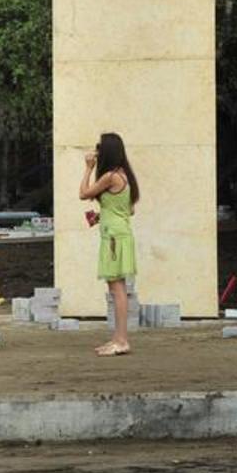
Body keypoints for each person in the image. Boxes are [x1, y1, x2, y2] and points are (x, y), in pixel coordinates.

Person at [79, 133, 140, 357]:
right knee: (116, 288)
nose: (97, 152)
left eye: (100, 148)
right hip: (117, 233)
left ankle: (122, 341)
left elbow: (83, 193)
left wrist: (88, 168)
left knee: (117, 289)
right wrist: (102, 216)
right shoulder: (124, 176)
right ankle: (117, 338)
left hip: (114, 237)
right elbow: (128, 210)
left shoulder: (110, 176)